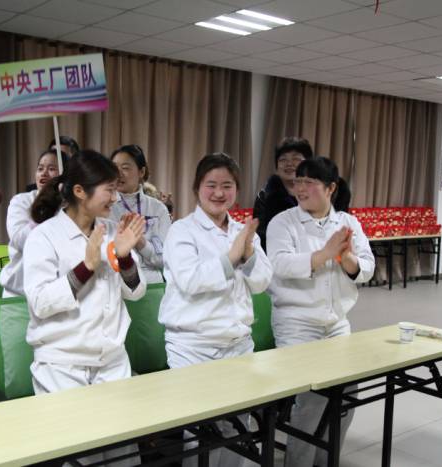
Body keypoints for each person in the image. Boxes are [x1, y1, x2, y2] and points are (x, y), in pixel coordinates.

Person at [23, 150, 146, 466]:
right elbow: (40, 302)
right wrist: (86, 266)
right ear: (80, 191)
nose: (115, 198)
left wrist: (124, 256)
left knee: (124, 455)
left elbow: (136, 291)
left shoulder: (111, 229)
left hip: (112, 362)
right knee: (82, 457)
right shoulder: (44, 237)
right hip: (64, 366)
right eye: (109, 189)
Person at [159, 153, 272, 467]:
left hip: (238, 344)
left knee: (238, 428)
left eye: (227, 185)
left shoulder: (242, 230)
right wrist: (232, 257)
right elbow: (190, 280)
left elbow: (262, 281)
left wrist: (248, 255)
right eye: (211, 185)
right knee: (199, 434)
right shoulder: (182, 231)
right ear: (197, 188)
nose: (219, 193)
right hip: (192, 347)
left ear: (237, 189)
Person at [266, 156, 375, 467]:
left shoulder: (348, 223)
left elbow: (367, 267)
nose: (300, 188)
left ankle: (326, 460)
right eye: (298, 181)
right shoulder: (283, 222)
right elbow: (279, 264)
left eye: (309, 182)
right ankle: (298, 463)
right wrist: (325, 253)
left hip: (337, 323)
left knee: (348, 393)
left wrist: (346, 258)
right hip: (297, 324)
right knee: (313, 397)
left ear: (330, 188)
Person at [0, 149, 69, 297]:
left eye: (51, 169)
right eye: (40, 168)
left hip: (52, 296)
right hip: (18, 294)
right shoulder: (21, 201)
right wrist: (46, 209)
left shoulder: (69, 207)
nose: (44, 173)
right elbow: (20, 240)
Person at [110, 144, 171, 283]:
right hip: (118, 284)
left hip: (153, 284)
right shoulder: (106, 208)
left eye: (125, 168)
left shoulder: (158, 209)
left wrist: (140, 241)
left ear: (141, 172)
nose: (118, 173)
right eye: (114, 167)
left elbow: (165, 259)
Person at [253, 137, 313, 251]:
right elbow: (260, 238)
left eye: (296, 159)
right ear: (276, 166)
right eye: (283, 159)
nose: (289, 164)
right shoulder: (265, 197)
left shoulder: (318, 195)